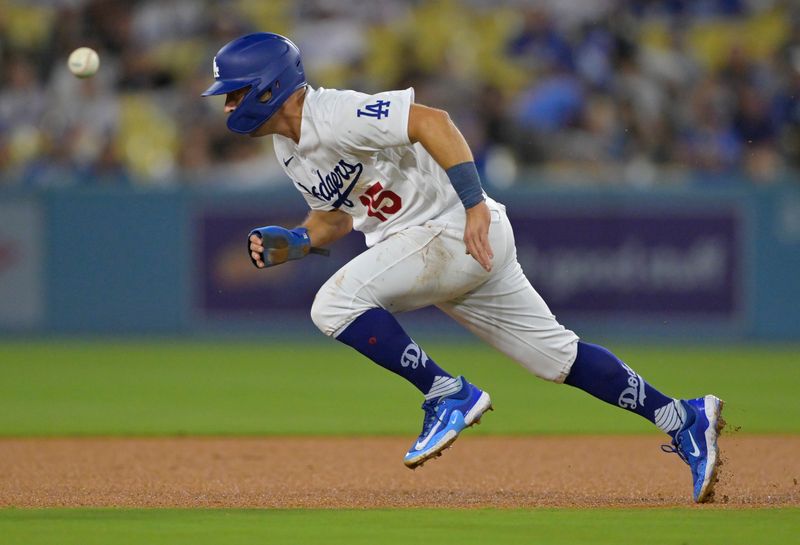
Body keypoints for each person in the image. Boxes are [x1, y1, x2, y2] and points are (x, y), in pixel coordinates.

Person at [202, 32, 725, 503]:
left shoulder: (335, 113)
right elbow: (336, 218)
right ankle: (682, 417)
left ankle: (447, 393)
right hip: (438, 245)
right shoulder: (287, 150)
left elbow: (433, 121)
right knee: (557, 358)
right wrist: (295, 242)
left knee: (334, 304)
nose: (227, 105)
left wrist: (474, 203)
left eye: (234, 92)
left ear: (269, 89)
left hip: (453, 229)